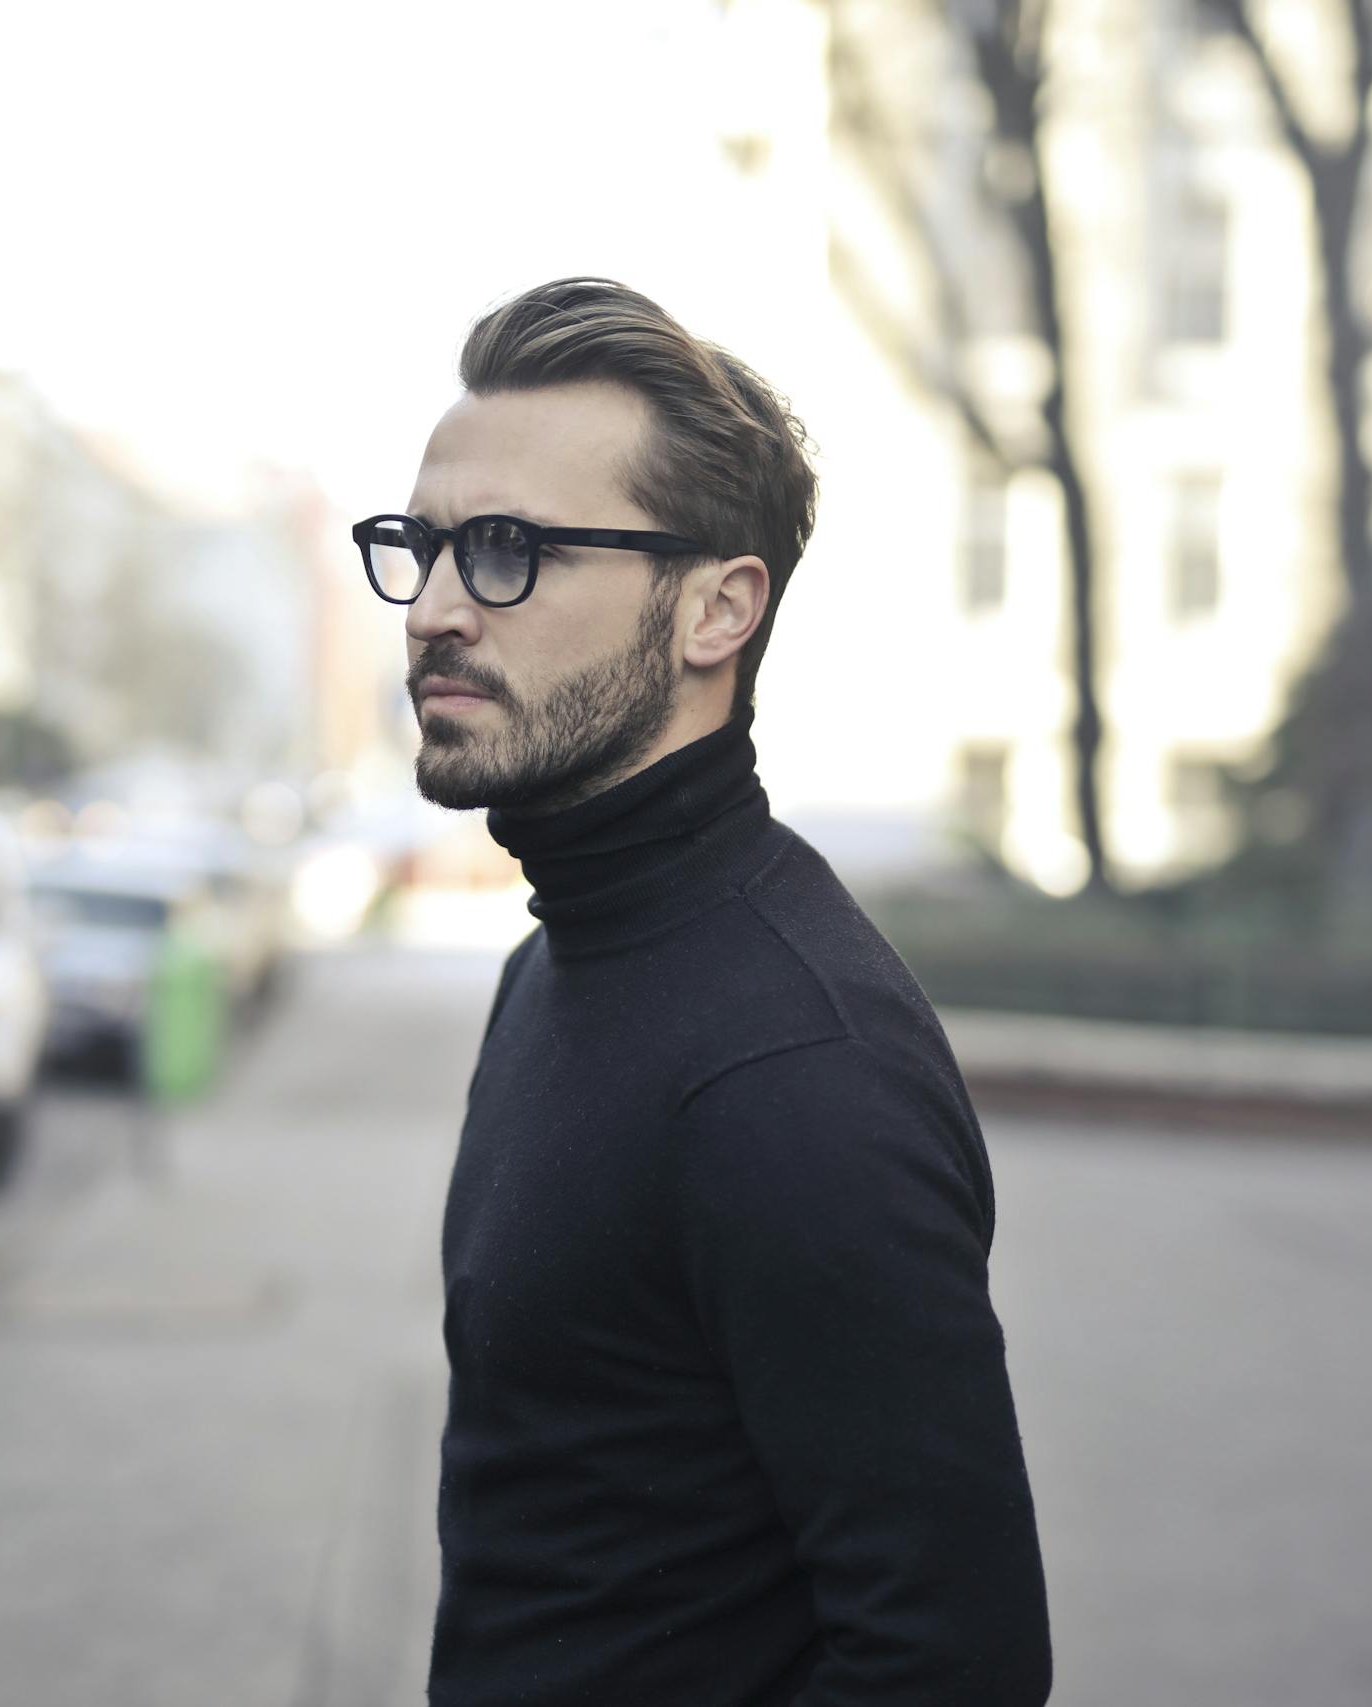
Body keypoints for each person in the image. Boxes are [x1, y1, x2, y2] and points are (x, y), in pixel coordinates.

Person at [360, 278, 1051, 1707]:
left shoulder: (796, 1069)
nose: (431, 610)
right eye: (420, 549)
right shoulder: (550, 967)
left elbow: (955, 1667)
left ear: (715, 610)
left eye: (503, 553)